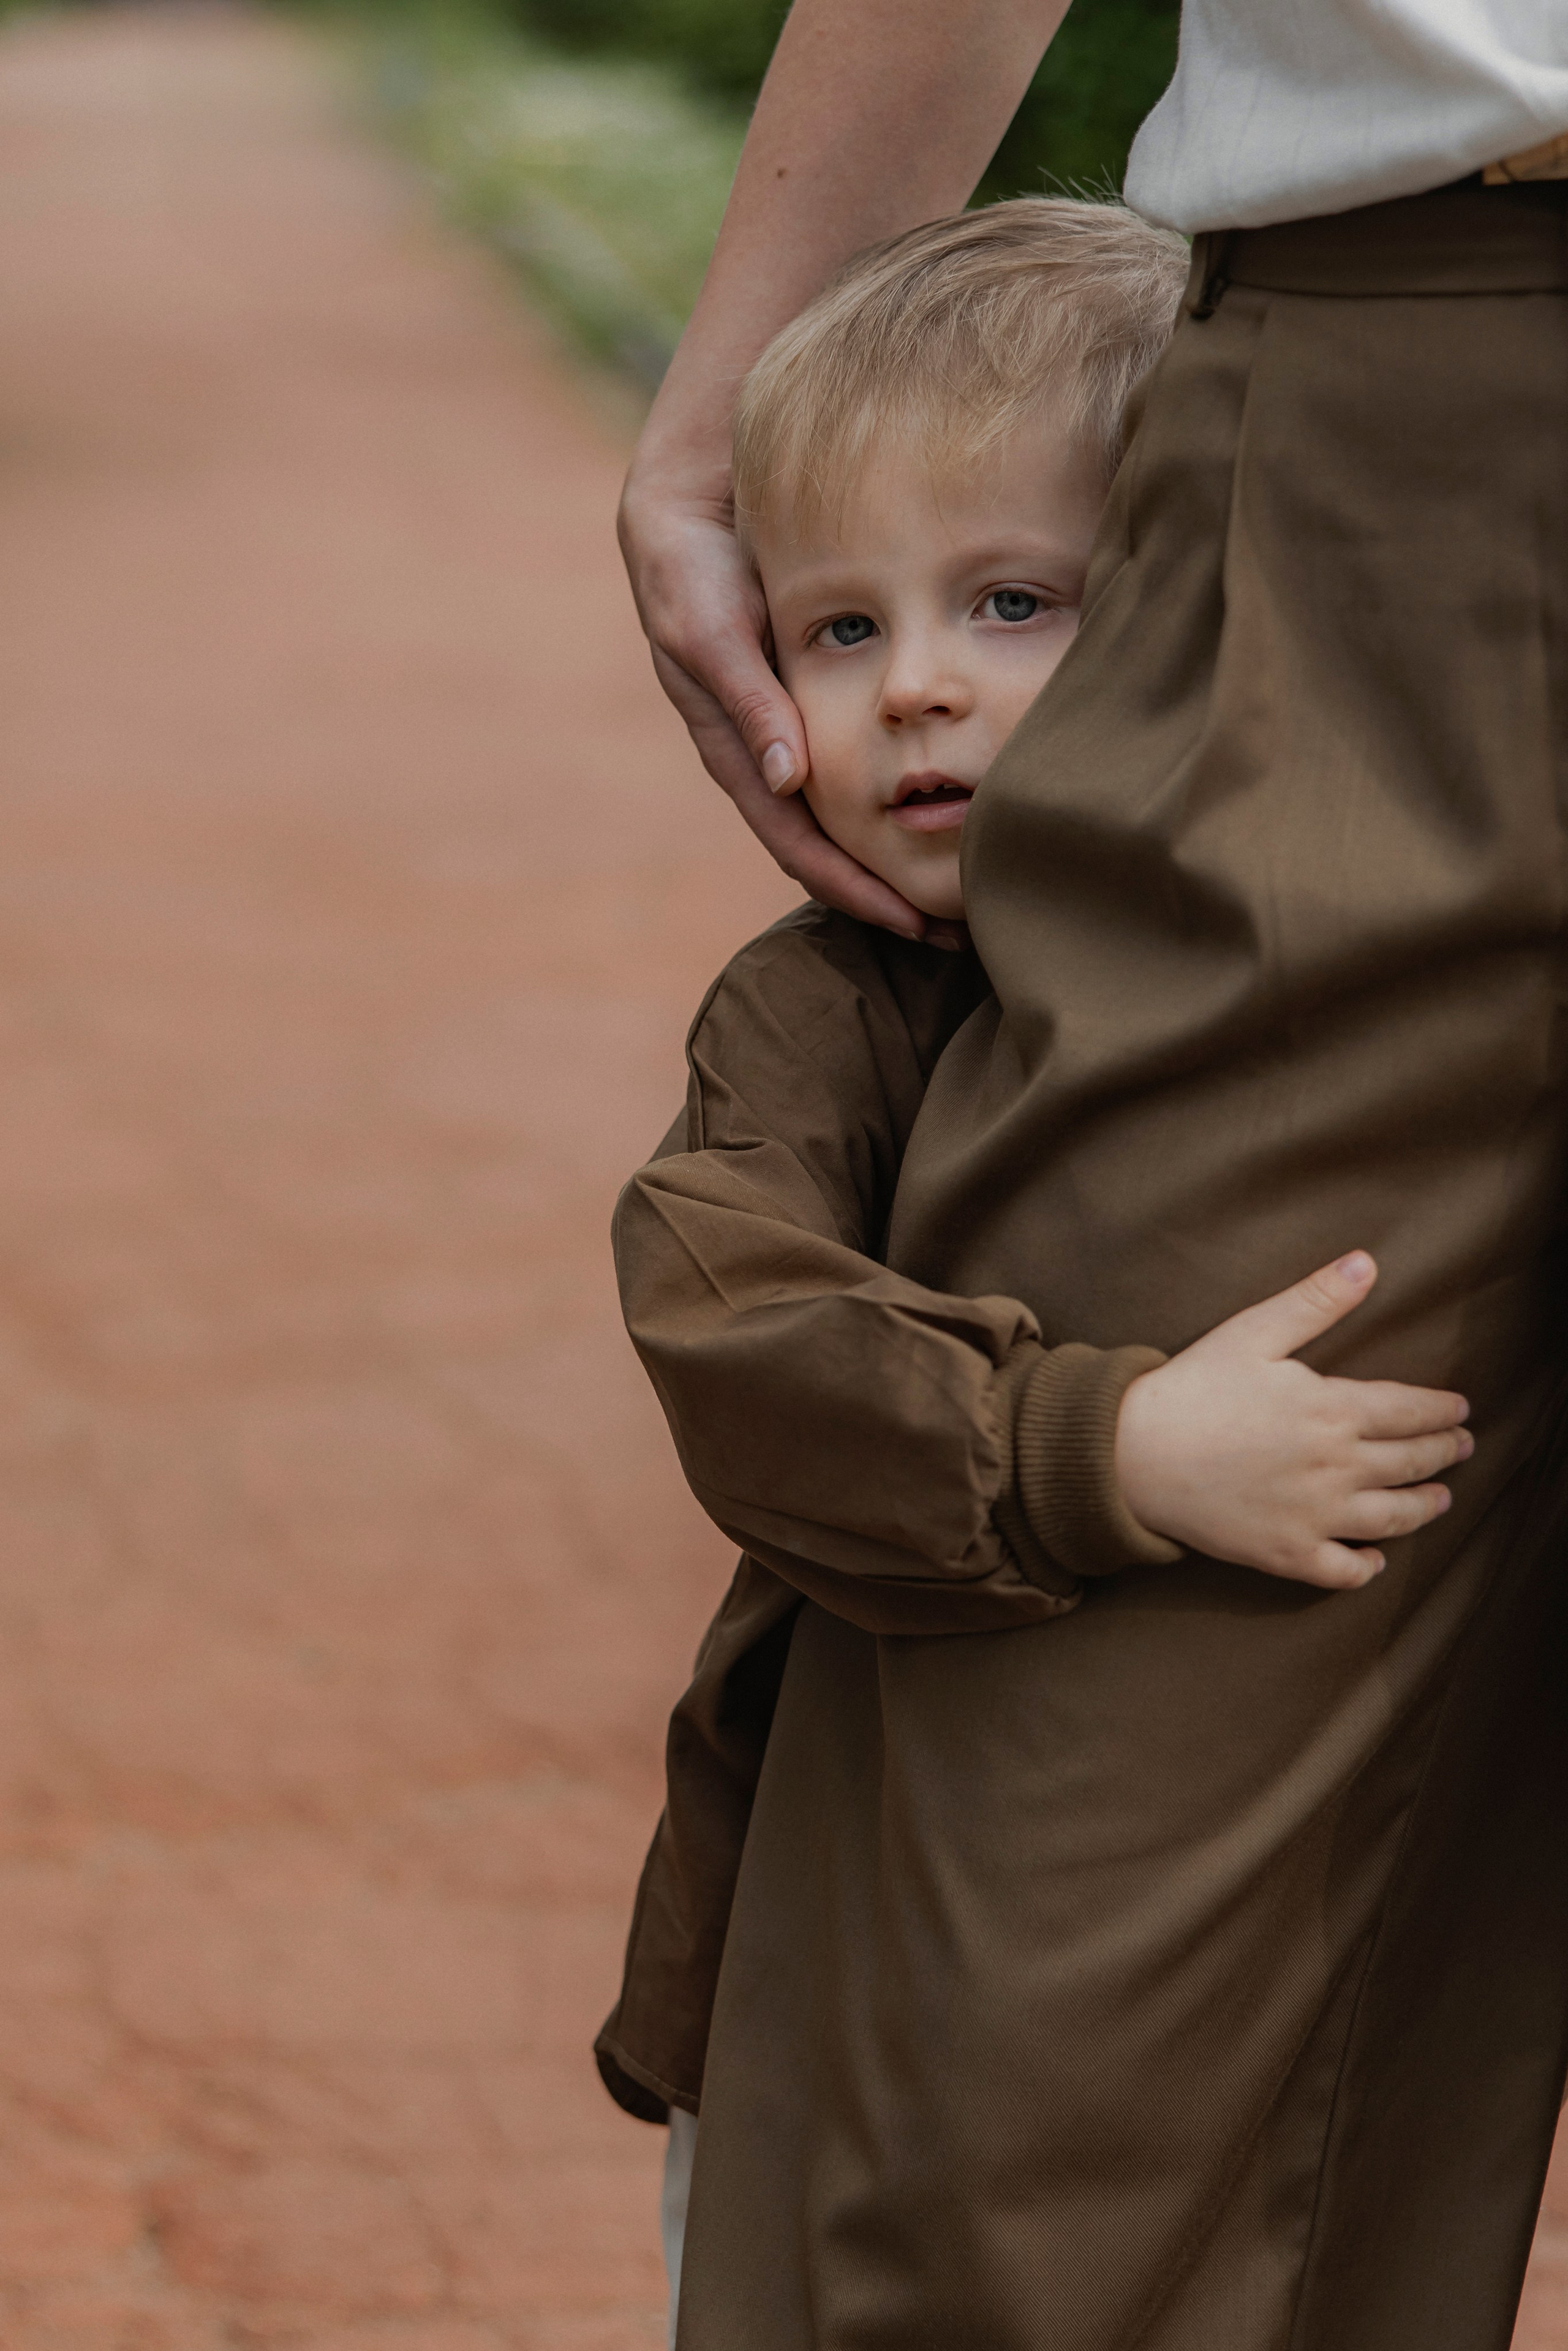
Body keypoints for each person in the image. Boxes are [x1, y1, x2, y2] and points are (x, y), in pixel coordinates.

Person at [597, 200, 1495, 2348]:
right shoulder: (833, 1009)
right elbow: (727, 1306)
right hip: (849, 1954)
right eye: (836, 630)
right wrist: (1106, 1444)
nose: (917, 683)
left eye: (1014, 604)